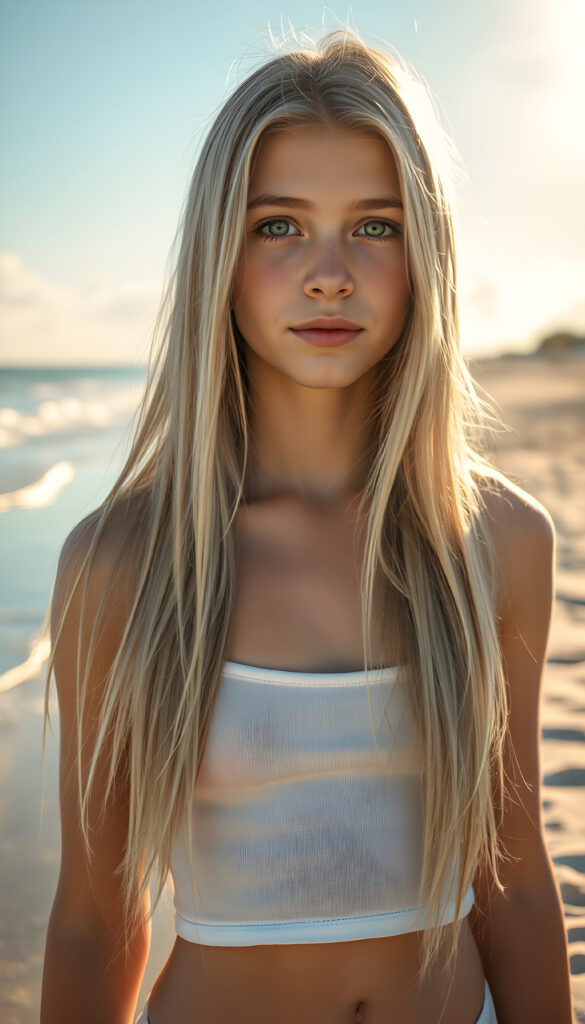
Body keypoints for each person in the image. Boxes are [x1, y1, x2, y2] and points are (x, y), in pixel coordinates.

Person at [40, 27, 574, 1024]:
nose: (329, 273)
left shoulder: (499, 540)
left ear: (424, 257)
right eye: (279, 225)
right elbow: (93, 920)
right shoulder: (123, 562)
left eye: (374, 227)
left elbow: (514, 878)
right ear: (220, 255)